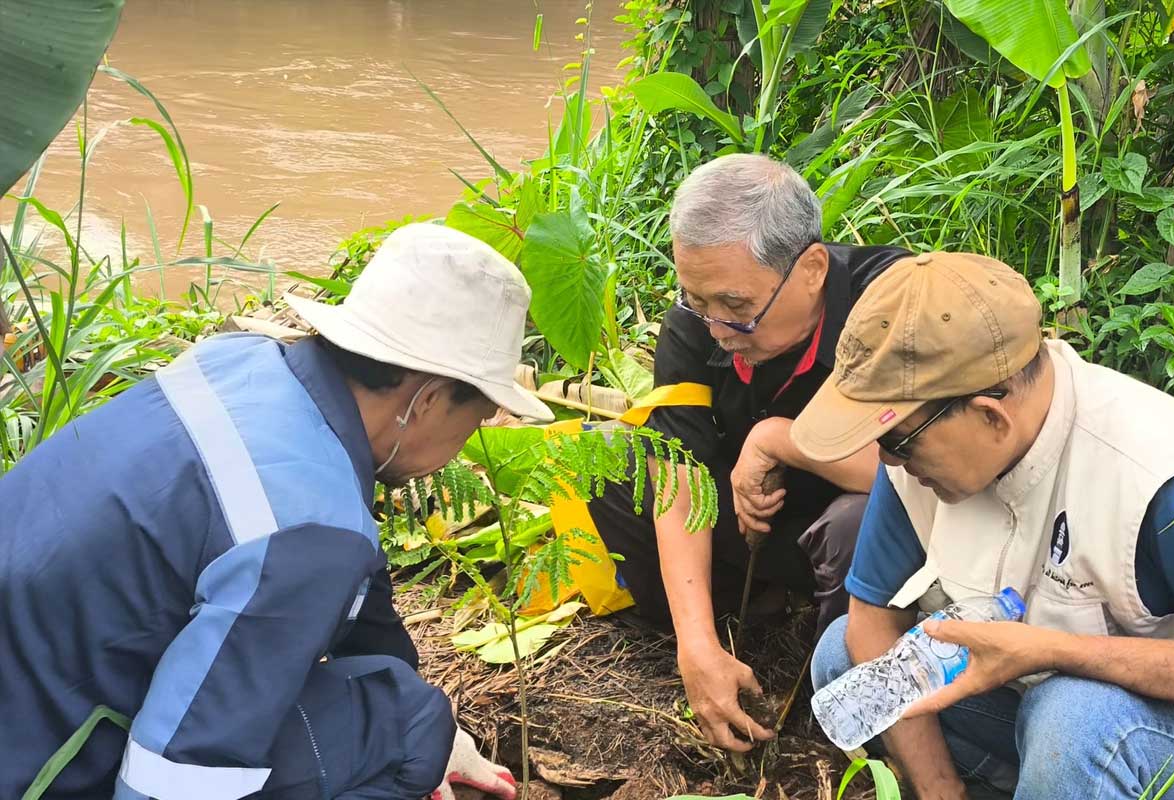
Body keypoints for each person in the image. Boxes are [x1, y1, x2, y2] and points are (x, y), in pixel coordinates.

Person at [0, 223, 550, 800]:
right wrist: (431, 732)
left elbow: (357, 592)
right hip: (38, 758)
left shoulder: (239, 363)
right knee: (409, 726)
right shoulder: (309, 528)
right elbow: (175, 783)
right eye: (478, 417)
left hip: (34, 676)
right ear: (430, 399)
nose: (468, 441)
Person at [787, 251, 1174, 799]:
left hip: (1149, 734)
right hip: (1028, 709)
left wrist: (1053, 651)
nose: (888, 462)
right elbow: (870, 623)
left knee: (1072, 719)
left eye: (896, 440)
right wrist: (938, 788)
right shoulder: (915, 461)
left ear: (990, 414)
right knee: (846, 661)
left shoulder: (1157, 474)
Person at [588, 153, 908, 753]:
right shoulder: (697, 322)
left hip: (853, 533)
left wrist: (780, 439)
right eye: (698, 301)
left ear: (811, 269)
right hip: (755, 523)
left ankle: (844, 699)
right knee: (614, 463)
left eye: (737, 307)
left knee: (857, 521)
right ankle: (740, 621)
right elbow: (678, 473)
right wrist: (696, 645)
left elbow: (920, 473)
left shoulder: (887, 302)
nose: (718, 328)